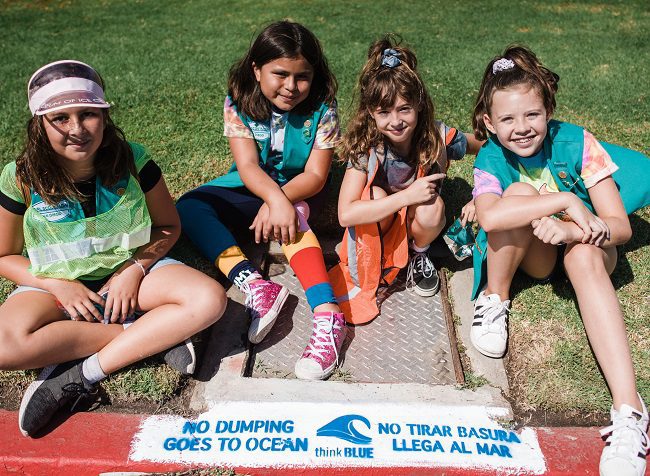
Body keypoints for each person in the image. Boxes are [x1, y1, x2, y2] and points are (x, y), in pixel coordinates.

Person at [0, 60, 227, 437]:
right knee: (4, 346)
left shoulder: (134, 160)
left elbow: (168, 226)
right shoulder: (19, 177)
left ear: (104, 116)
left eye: (88, 114)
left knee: (209, 299)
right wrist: (59, 285)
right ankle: (149, 335)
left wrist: (132, 270)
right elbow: (4, 256)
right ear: (40, 123)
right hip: (53, 285)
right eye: (60, 118)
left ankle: (80, 373)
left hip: (133, 274)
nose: (77, 129)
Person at [469, 45, 650, 475]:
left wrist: (571, 231)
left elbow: (619, 227)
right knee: (518, 195)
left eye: (532, 114)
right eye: (508, 120)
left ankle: (630, 411)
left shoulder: (578, 142)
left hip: (586, 249)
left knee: (583, 256)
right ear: (489, 123)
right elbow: (491, 218)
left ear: (548, 110)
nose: (522, 128)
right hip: (537, 254)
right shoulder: (490, 156)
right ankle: (495, 297)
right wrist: (566, 201)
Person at [176, 21, 346, 381]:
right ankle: (256, 285)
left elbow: (316, 176)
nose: (291, 86)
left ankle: (328, 314)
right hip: (252, 184)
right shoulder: (238, 102)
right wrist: (271, 198)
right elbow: (248, 166)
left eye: (302, 76)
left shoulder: (323, 107)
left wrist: (282, 202)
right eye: (280, 74)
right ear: (256, 70)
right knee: (189, 207)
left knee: (294, 217)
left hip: (302, 187)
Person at [329, 36, 481, 325]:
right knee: (374, 194)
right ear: (371, 113)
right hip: (382, 222)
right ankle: (381, 258)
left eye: (404, 109)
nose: (395, 121)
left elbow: (482, 147)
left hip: (417, 221)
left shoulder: (435, 137)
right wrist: (405, 197)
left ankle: (418, 255)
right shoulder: (366, 148)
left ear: (419, 104)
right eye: (384, 112)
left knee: (432, 205)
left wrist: (492, 178)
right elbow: (345, 213)